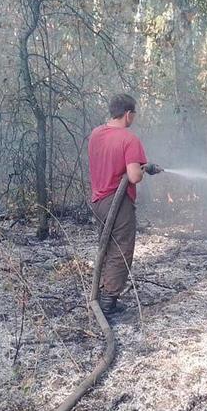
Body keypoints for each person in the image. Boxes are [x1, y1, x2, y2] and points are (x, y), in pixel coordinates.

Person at [87, 93, 160, 314]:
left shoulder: (96, 134)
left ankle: (101, 293)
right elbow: (134, 176)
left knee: (107, 247)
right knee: (122, 249)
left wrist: (144, 166)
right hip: (118, 203)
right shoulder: (129, 139)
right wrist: (144, 169)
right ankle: (108, 301)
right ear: (128, 114)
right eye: (134, 114)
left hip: (98, 200)